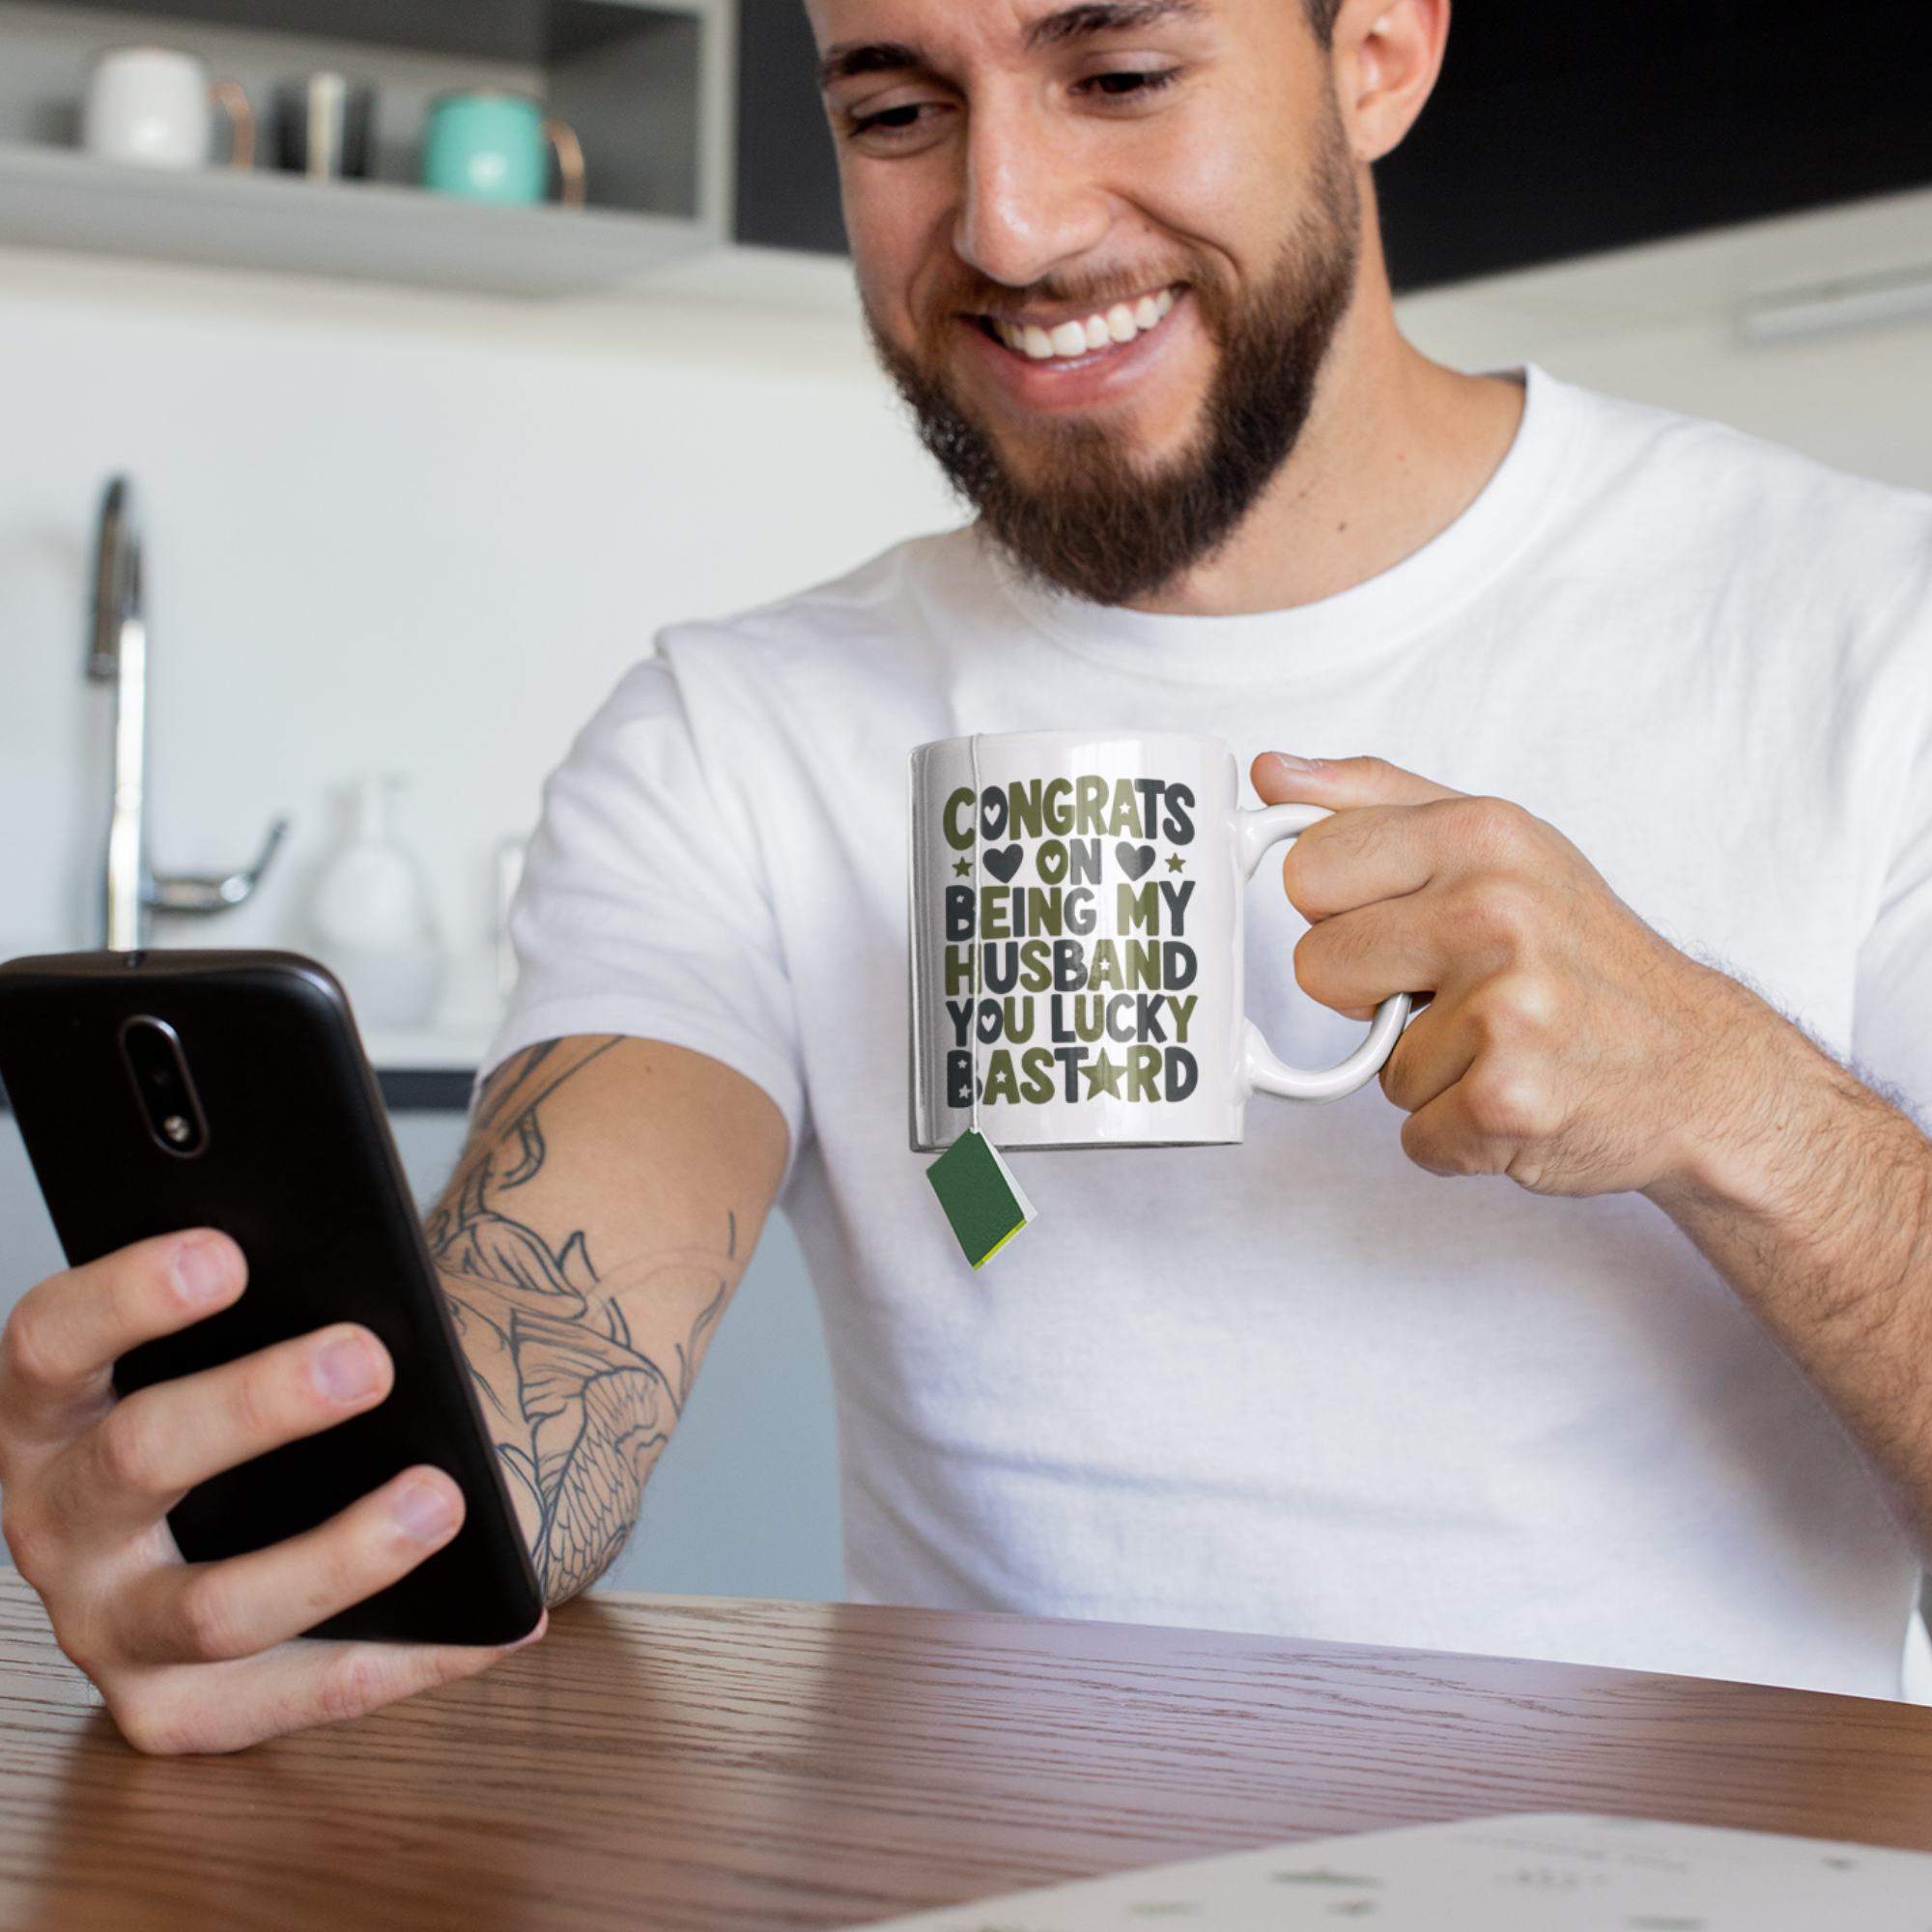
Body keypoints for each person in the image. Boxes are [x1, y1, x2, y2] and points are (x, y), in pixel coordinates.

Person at [7, 0, 1932, 1756]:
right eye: (899, 107)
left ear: (1380, 53)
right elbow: (558, 1312)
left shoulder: (1868, 632)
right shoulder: (732, 736)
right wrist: (320, 1519)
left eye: (1117, 74)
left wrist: (1731, 1100)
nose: (1004, 225)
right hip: (994, 1880)